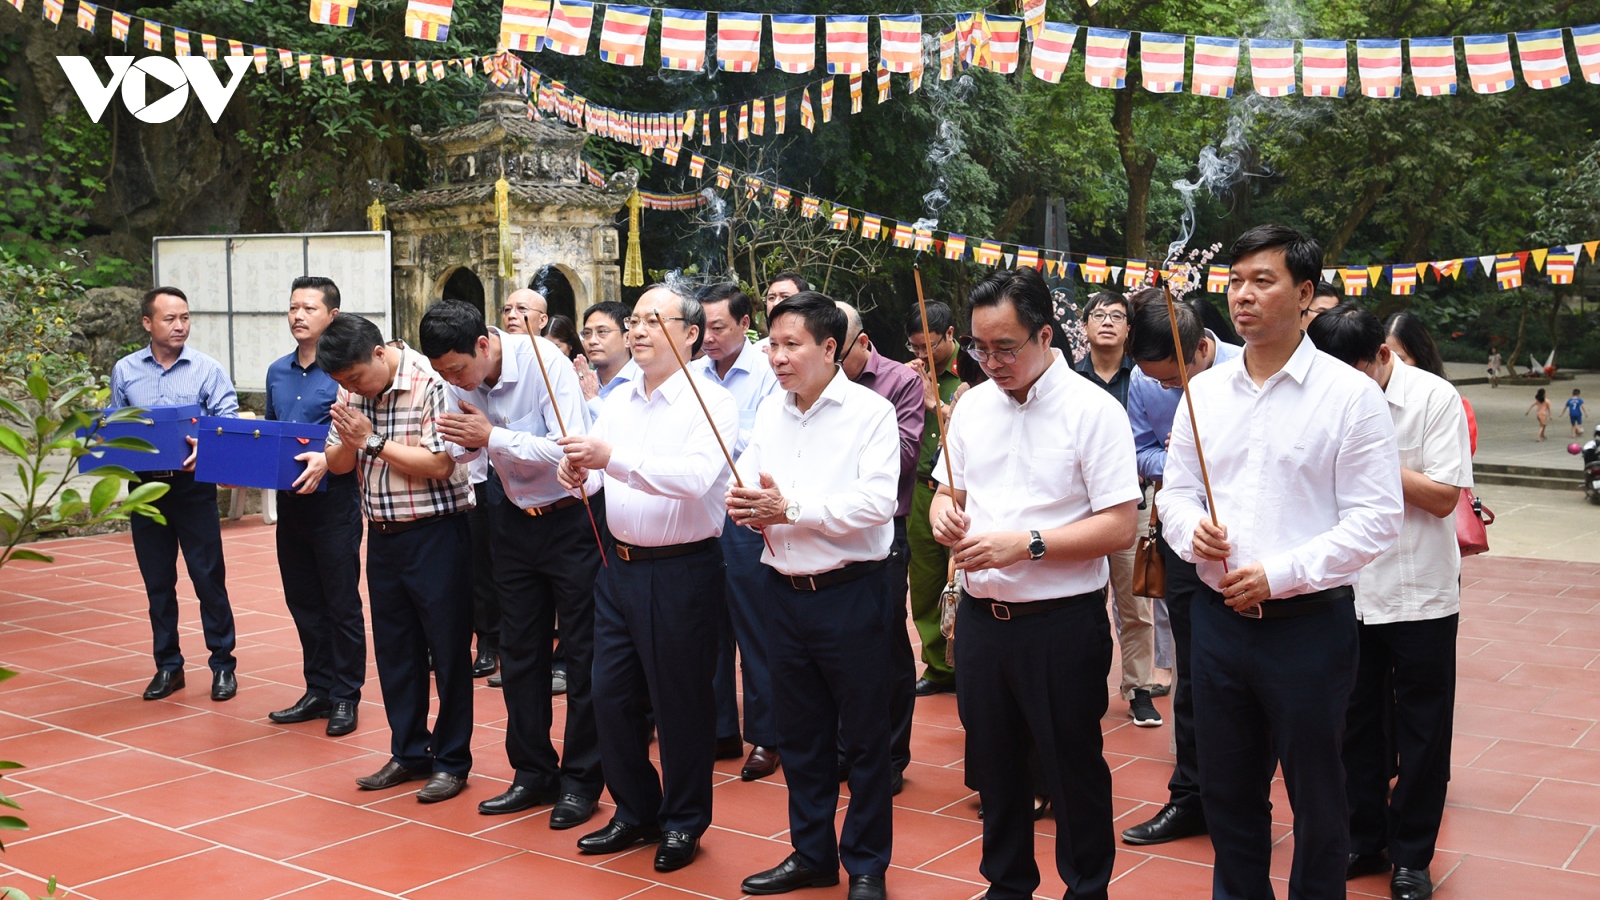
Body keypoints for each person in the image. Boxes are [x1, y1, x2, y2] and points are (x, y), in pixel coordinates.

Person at [1159, 225, 1403, 900]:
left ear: (1304, 295)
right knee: (1230, 795)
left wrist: (1281, 572)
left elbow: (1376, 518)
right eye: (1234, 280)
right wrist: (1189, 531)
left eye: (1261, 281)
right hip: (1217, 624)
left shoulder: (1348, 396)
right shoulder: (1205, 392)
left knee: (1320, 798)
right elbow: (1175, 493)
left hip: (1308, 628)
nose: (1242, 295)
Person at [929, 268, 1140, 900]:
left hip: (1060, 621)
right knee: (995, 769)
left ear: (1045, 335)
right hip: (983, 619)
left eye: (1005, 348)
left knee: (1071, 765)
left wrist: (1028, 544)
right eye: (979, 348)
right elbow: (948, 490)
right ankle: (1007, 884)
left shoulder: (1093, 412)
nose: (990, 362)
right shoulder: (970, 408)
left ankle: (1085, 887)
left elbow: (1120, 526)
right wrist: (945, 515)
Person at [556, 284, 737, 872]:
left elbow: (693, 478)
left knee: (680, 703)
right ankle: (636, 809)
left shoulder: (711, 402)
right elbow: (603, 473)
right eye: (632, 320)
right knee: (609, 696)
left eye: (652, 322)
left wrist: (610, 460)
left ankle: (684, 820)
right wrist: (579, 471)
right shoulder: (620, 397)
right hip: (619, 566)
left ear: (690, 335)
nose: (637, 331)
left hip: (682, 569)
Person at [731, 292, 898, 900]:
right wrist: (745, 500)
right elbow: (748, 475)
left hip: (851, 592)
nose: (776, 357)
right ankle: (811, 853)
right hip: (783, 590)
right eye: (772, 344)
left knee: (863, 737)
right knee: (799, 733)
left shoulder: (870, 413)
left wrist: (789, 507)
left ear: (830, 348)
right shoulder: (772, 412)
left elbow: (877, 504)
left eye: (790, 344)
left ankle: (867, 864)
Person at [420, 301, 606, 829]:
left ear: (484, 343)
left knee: (583, 651)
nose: (454, 380)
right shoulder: (456, 378)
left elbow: (571, 448)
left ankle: (582, 780)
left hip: (573, 515)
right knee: (518, 650)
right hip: (512, 516)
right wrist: (460, 446)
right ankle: (532, 772)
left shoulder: (544, 362)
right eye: (443, 374)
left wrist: (491, 437)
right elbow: (473, 458)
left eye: (458, 370)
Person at [1307, 304, 1471, 900]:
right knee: (1352, 723)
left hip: (1420, 589)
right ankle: (1362, 838)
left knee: (1424, 728)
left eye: (1355, 376)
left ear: (1382, 356)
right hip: (1347, 589)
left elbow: (1443, 496)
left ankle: (1412, 855)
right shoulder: (1323, 397)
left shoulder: (1433, 399)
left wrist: (1377, 460)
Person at [319, 313, 475, 803]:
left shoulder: (430, 384)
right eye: (342, 383)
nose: (351, 388)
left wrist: (372, 440)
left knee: (448, 652)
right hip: (382, 535)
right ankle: (409, 751)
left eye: (356, 377)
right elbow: (339, 464)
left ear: (380, 354)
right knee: (394, 651)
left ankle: (451, 761)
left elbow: (440, 464)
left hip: (437, 534)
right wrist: (349, 439)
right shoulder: (350, 393)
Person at [1118, 290, 1243, 847]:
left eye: (1175, 378)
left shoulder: (1248, 369)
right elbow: (1138, 452)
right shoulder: (1147, 381)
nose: (1168, 389)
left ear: (1200, 349)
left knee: (1255, 678)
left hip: (1254, 550)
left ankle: (1243, 799)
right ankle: (1189, 794)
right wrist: (1177, 460)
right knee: (1194, 674)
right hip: (1187, 541)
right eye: (1159, 383)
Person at [111, 286, 241, 703]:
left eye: (185, 317)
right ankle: (168, 666)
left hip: (192, 487)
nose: (180, 325)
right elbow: (115, 428)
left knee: (208, 578)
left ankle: (223, 665)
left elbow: (229, 423)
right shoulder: (126, 370)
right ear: (148, 323)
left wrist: (211, 445)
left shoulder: (207, 369)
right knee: (157, 581)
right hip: (145, 489)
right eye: (170, 319)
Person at [264, 276, 365, 736]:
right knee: (302, 598)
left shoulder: (346, 374)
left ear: (332, 316)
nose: (298, 316)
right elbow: (271, 431)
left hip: (336, 501)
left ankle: (346, 695)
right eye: (292, 308)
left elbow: (357, 439)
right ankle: (318, 688)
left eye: (309, 308)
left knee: (340, 601)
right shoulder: (276, 372)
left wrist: (329, 461)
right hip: (291, 502)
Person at [693, 282, 784, 780]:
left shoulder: (769, 372)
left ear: (746, 325)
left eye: (718, 327)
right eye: (700, 327)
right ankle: (720, 727)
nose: (707, 337)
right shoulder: (692, 374)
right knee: (709, 628)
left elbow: (765, 440)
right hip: (701, 512)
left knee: (755, 627)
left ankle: (768, 735)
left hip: (748, 514)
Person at [837, 301, 922, 795]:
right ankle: (846, 747)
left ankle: (891, 752)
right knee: (837, 647)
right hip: (825, 531)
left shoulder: (899, 382)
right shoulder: (811, 386)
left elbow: (905, 457)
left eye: (837, 352)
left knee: (885, 641)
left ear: (860, 343)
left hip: (884, 530)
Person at [1074, 291, 1160, 728]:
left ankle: (1139, 687)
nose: (1107, 322)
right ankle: (1083, 685)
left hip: (1134, 502)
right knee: (1080, 600)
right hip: (1078, 509)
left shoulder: (1146, 378)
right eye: (1099, 315)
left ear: (1129, 328)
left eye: (1117, 316)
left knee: (1135, 602)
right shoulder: (1068, 380)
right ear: (1084, 326)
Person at [903, 300, 963, 696]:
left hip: (960, 490)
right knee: (924, 583)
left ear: (951, 336)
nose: (923, 355)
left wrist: (935, 404)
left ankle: (968, 661)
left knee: (960, 579)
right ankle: (938, 667)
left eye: (930, 346)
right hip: (920, 489)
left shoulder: (973, 370)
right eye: (915, 347)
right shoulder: (910, 374)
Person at [1385, 311, 1477, 454]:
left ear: (1421, 356)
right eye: (1384, 357)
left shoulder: (1450, 404)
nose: (1390, 365)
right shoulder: (1372, 402)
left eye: (1400, 359)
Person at [580, 301, 641, 420]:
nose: (592, 341)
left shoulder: (644, 380)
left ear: (628, 338)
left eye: (602, 332)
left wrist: (592, 399)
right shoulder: (584, 382)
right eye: (587, 333)